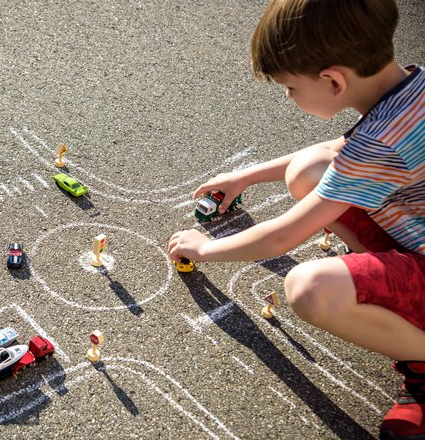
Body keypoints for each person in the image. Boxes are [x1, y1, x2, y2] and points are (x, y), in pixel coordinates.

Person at [167, 0, 424, 437]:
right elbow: (336, 154)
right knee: (307, 170)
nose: (289, 97)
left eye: (289, 87)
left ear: (332, 81)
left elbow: (280, 237)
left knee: (311, 289)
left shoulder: (379, 144)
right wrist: (244, 176)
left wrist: (205, 248)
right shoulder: (410, 92)